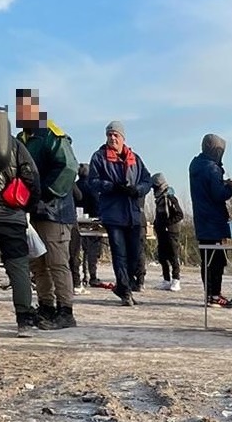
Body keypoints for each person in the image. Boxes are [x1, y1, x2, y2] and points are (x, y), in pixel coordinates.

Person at [16, 88, 79, 329]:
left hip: (55, 211)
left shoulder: (51, 133)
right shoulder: (22, 139)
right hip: (32, 212)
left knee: (57, 261)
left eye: (26, 107)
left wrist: (48, 193)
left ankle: (66, 310)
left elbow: (68, 166)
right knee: (37, 262)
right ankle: (46, 306)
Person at [0, 99, 42, 337]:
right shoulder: (14, 145)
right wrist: (26, 206)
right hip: (13, 217)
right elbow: (32, 177)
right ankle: (25, 321)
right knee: (19, 269)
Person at [88, 121, 151, 306]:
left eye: (115, 135)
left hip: (132, 213)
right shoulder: (99, 157)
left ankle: (125, 286)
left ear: (123, 138)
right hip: (113, 213)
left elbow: (147, 180)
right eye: (109, 135)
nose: (112, 138)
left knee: (135, 254)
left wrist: (137, 190)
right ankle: (125, 291)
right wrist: (111, 186)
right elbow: (93, 181)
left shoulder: (135, 158)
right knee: (119, 254)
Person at [189, 134, 232, 307]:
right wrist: (230, 186)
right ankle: (215, 295)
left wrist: (223, 182)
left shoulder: (196, 166)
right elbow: (218, 194)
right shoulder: (212, 169)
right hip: (215, 221)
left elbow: (207, 189)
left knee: (207, 260)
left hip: (202, 221)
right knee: (217, 260)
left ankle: (210, 294)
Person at [151, 173, 184, 291]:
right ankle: (166, 280)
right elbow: (159, 215)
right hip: (161, 232)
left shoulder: (170, 197)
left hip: (171, 231)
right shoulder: (158, 199)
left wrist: (167, 224)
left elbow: (180, 214)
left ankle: (176, 280)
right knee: (162, 256)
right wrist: (156, 224)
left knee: (173, 256)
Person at [75, 163, 103, 286]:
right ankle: (92, 276)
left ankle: (78, 276)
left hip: (75, 221)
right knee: (91, 250)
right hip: (92, 222)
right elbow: (97, 203)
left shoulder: (74, 186)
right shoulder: (92, 187)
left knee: (76, 250)